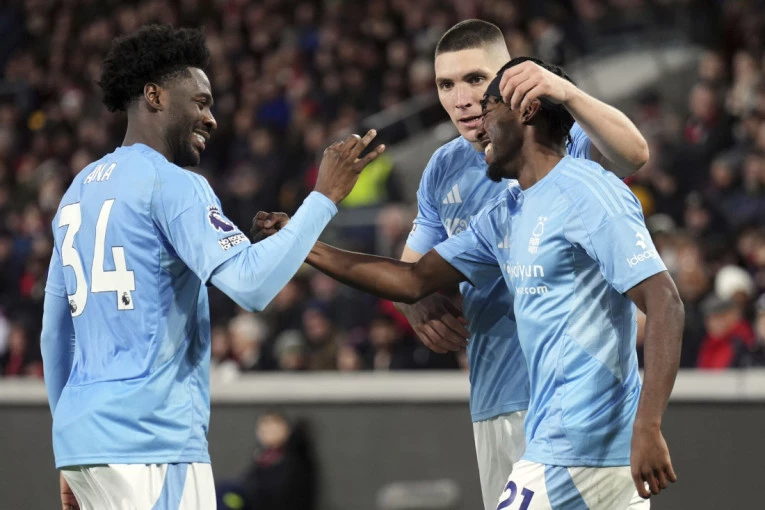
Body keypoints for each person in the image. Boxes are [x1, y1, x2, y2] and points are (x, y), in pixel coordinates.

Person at [253, 57, 684, 508]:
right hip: (567, 442)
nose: (479, 124)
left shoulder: (586, 189)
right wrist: (301, 240)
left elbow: (665, 302)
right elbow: (412, 280)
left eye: (489, 108)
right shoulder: (505, 213)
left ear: (527, 111)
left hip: (580, 443)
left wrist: (648, 426)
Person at [40, 25, 383, 510]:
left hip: (85, 446)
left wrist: (70, 447)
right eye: (200, 102)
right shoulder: (174, 183)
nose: (211, 118)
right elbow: (251, 285)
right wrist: (323, 197)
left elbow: (55, 334)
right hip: (152, 441)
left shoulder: (77, 190)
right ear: (155, 96)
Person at [401, 19, 650, 510]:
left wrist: (566, 92)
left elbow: (634, 153)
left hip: (578, 395)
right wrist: (413, 303)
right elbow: (410, 270)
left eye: (475, 79)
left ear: (509, 77)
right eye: (445, 85)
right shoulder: (442, 169)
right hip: (495, 396)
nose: (461, 99)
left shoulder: (560, 143)